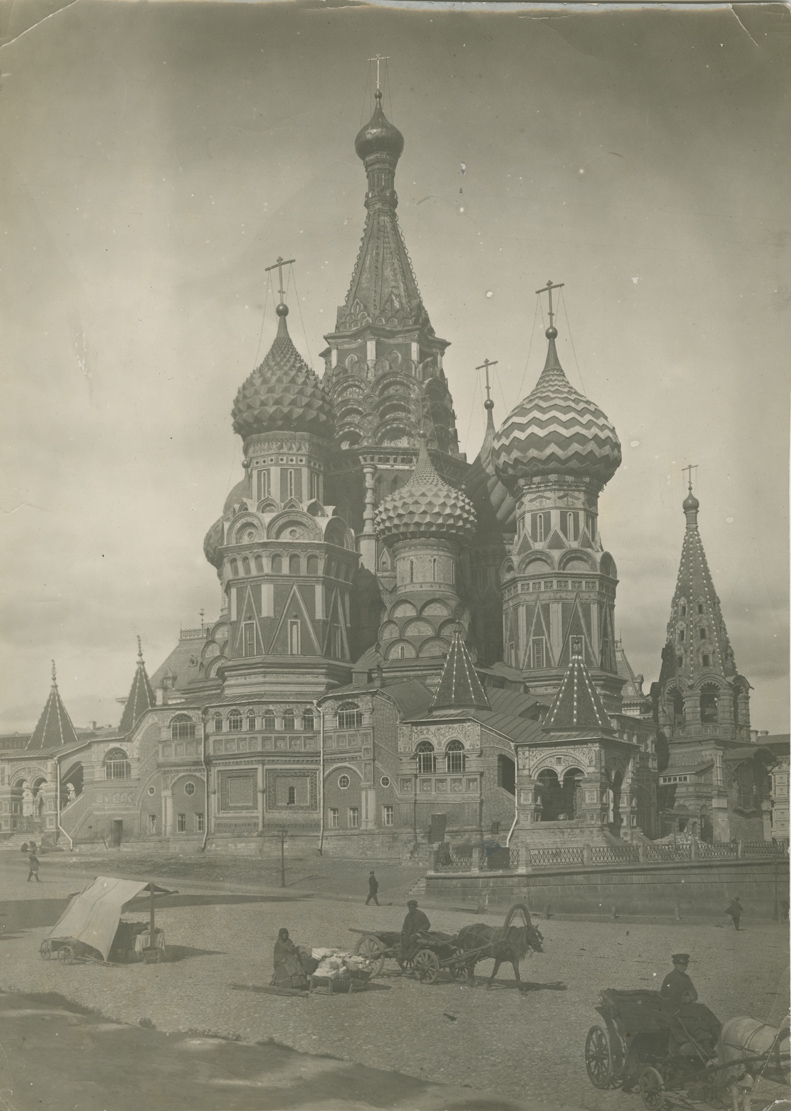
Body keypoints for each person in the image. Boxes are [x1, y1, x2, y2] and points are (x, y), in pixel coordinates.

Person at [660, 954, 721, 1056]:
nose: (682, 967)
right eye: (679, 965)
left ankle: (717, 1031)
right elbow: (665, 994)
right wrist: (682, 998)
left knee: (702, 1008)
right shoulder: (670, 978)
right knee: (694, 1021)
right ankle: (705, 1043)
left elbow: (694, 994)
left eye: (684, 965)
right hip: (675, 1009)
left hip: (686, 1006)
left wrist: (689, 997)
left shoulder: (686, 978)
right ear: (675, 965)